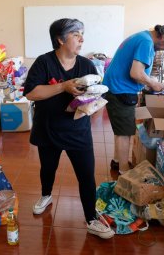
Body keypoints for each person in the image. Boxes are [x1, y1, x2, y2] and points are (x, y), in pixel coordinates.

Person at [23, 18, 114, 239]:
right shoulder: (44, 63)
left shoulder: (86, 65)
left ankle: (91, 219)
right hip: (48, 127)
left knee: (86, 176)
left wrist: (91, 101)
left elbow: (92, 96)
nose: (82, 39)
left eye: (82, 33)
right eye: (76, 34)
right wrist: (63, 86)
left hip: (77, 130)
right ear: (60, 39)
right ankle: (46, 195)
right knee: (48, 168)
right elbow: (31, 93)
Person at [102, 24, 164, 174]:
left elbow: (136, 71)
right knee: (125, 132)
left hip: (115, 87)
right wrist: (153, 84)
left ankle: (117, 161)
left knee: (121, 130)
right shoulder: (146, 43)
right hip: (121, 90)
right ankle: (124, 171)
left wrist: (148, 80)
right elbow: (136, 73)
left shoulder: (141, 36)